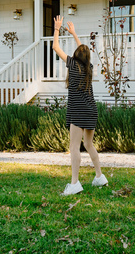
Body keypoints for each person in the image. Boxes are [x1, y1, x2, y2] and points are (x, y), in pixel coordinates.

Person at [52, 15, 108, 195]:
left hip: (78, 110)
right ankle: (99, 177)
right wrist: (74, 33)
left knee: (74, 147)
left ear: (76, 55)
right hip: (91, 110)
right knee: (89, 144)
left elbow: (55, 47)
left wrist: (57, 29)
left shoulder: (72, 64)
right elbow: (82, 51)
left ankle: (75, 183)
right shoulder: (89, 67)